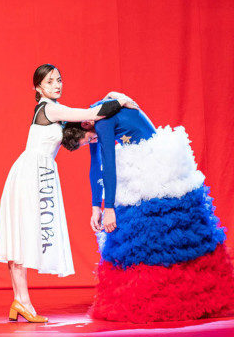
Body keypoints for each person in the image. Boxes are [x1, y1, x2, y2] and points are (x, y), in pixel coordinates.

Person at [61, 103, 234, 322]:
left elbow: (109, 166)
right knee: (139, 234)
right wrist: (96, 206)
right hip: (139, 164)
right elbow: (96, 165)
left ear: (86, 125)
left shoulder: (101, 121)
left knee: (159, 231)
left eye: (88, 140)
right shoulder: (95, 117)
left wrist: (109, 208)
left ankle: (174, 295)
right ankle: (153, 292)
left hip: (154, 167)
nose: (91, 143)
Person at [0, 64, 130, 323]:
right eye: (50, 81)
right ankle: (22, 301)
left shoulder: (53, 111)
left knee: (21, 233)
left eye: (59, 80)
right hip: (32, 173)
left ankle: (20, 300)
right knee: (21, 233)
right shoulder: (49, 108)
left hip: (38, 171)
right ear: (38, 88)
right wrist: (120, 101)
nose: (57, 85)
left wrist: (94, 134)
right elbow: (92, 113)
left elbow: (75, 135)